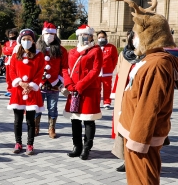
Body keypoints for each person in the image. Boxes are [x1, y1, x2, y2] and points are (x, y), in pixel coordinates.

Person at [113, 0, 178, 185]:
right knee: (137, 175)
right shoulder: (151, 59)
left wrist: (139, 140)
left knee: (144, 176)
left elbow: (149, 106)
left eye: (137, 33)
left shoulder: (156, 64)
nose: (134, 37)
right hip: (134, 129)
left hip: (141, 134)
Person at [63, 25, 103, 160]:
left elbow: (95, 70)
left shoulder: (96, 50)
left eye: (86, 35)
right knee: (75, 119)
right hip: (74, 90)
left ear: (92, 37)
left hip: (89, 90)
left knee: (88, 120)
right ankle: (77, 146)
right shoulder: (73, 51)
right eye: (81, 35)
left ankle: (86, 148)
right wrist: (69, 84)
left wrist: (80, 85)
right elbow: (66, 69)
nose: (83, 38)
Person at [7, 29, 44, 155]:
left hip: (32, 91)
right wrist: (20, 83)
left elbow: (40, 72)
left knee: (30, 120)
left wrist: (30, 85)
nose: (26, 41)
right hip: (18, 90)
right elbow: (11, 71)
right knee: (17, 120)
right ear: (20, 40)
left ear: (33, 41)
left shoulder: (39, 55)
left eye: (29, 39)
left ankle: (30, 144)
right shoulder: (15, 55)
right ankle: (18, 143)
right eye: (24, 39)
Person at [34, 22, 68, 138]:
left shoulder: (61, 50)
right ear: (42, 34)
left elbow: (64, 67)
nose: (49, 35)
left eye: (51, 34)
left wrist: (61, 80)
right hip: (39, 83)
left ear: (55, 35)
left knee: (53, 107)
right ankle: (36, 126)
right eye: (46, 33)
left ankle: (51, 128)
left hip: (54, 83)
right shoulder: (36, 49)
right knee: (37, 106)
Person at [111, 31, 138, 173]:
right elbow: (119, 74)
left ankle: (137, 161)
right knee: (124, 129)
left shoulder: (148, 56)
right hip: (124, 96)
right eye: (134, 37)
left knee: (137, 130)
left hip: (138, 98)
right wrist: (116, 93)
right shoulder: (125, 54)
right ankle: (126, 160)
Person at [97, 30, 118, 109]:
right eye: (99, 37)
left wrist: (111, 69)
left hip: (107, 72)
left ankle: (107, 102)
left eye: (103, 37)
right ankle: (97, 102)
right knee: (97, 88)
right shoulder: (95, 48)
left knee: (107, 88)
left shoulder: (111, 47)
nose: (101, 39)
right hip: (97, 72)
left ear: (106, 37)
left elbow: (115, 59)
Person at [2, 28, 18, 96]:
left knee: (13, 76)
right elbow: (4, 51)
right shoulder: (6, 43)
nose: (11, 35)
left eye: (13, 34)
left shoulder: (17, 42)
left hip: (14, 60)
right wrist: (9, 50)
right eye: (10, 34)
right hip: (7, 61)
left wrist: (8, 50)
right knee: (7, 76)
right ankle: (9, 90)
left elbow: (14, 50)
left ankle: (14, 90)